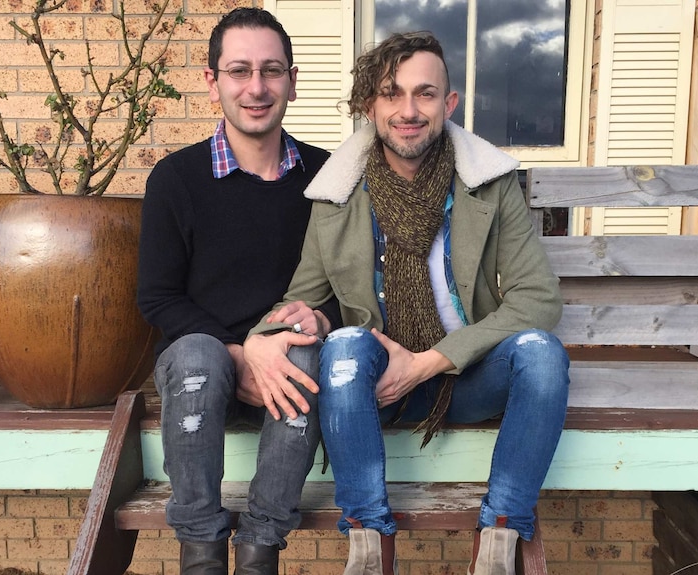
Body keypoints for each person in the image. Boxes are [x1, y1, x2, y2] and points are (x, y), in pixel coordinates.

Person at [244, 31, 570, 575]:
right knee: (344, 344)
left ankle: (499, 539)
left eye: (424, 94)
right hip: (374, 388)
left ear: (450, 103)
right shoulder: (337, 197)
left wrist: (424, 363)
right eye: (391, 94)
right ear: (370, 105)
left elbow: (538, 298)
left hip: (466, 379)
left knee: (541, 352)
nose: (408, 110)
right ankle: (369, 544)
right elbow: (305, 298)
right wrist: (284, 326)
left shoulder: (489, 186)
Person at [136, 8, 337, 575]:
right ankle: (200, 551)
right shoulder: (176, 178)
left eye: (271, 71)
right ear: (213, 82)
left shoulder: (327, 179)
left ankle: (260, 549)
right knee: (198, 353)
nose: (256, 88)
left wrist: (316, 322)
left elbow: (350, 290)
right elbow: (157, 296)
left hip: (291, 369)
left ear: (292, 82)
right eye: (239, 70)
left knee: (303, 350)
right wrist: (241, 350)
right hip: (203, 366)